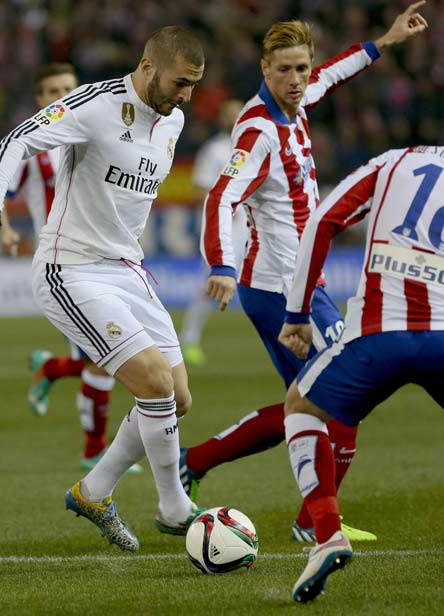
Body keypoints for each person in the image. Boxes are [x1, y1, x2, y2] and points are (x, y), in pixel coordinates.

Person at [181, 2, 428, 542]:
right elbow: (221, 197)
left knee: (311, 402)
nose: (297, 80)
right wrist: (221, 263)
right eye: (285, 70)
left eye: (302, 69)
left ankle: (194, 462)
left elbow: (333, 72)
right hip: (276, 287)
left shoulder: (299, 99)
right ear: (264, 70)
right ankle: (312, 525)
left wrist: (384, 41)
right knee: (340, 400)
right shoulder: (258, 131)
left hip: (299, 282)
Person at [0, 26, 205, 552]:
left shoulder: (174, 120)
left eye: (193, 86)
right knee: (156, 382)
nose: (186, 96)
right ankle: (174, 507)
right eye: (180, 82)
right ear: (147, 67)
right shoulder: (94, 104)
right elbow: (16, 140)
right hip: (70, 268)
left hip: (129, 270)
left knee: (178, 398)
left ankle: (93, 491)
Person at [277, 144, 444, 602]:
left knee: (301, 405)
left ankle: (327, 534)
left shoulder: (392, 162)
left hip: (378, 333)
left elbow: (321, 221)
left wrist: (297, 312)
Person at [0, 62, 141, 473]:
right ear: (39, 101)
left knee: (106, 354)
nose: (61, 97)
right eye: (52, 92)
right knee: (107, 356)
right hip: (63, 264)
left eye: (67, 88)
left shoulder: (100, 133)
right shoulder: (35, 146)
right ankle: (94, 447)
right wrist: (6, 230)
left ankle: (54, 369)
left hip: (105, 258)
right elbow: (4, 191)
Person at [180, 98, 247, 366]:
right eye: (229, 113)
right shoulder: (215, 150)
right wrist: (226, 203)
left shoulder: (255, 146)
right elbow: (198, 190)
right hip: (224, 229)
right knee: (210, 285)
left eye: (238, 113)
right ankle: (189, 338)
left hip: (253, 229)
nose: (234, 118)